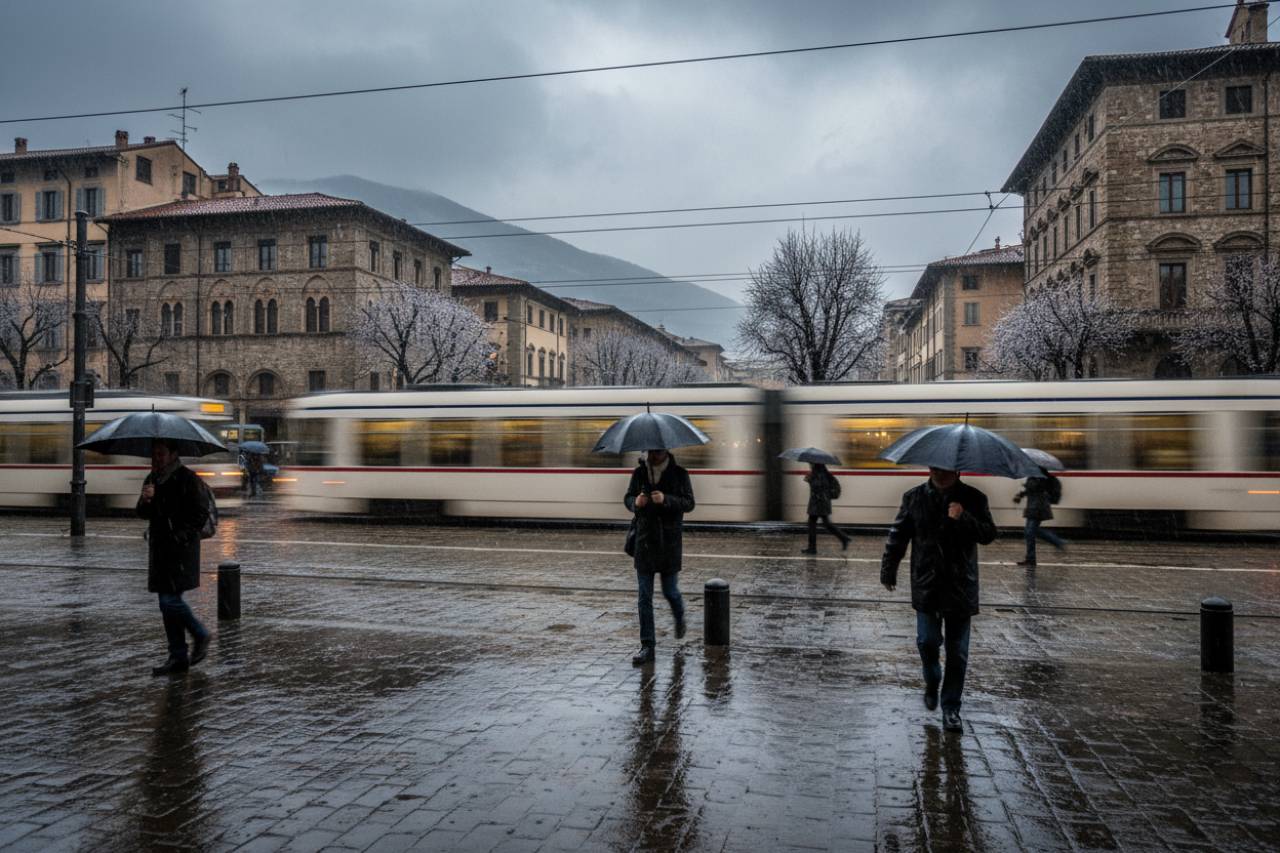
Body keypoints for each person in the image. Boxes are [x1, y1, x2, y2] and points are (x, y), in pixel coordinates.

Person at [880, 466, 997, 732]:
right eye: (934, 467)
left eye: (944, 469)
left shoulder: (974, 498)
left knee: (958, 653)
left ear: (956, 470)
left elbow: (989, 534)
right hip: (927, 584)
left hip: (960, 586)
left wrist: (963, 517)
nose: (938, 473)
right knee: (926, 641)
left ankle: (951, 708)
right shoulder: (914, 497)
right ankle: (932, 680)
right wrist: (889, 569)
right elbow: (898, 536)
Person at [138, 438, 212, 676]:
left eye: (161, 454)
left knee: (170, 601)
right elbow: (142, 513)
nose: (156, 459)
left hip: (181, 551)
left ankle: (200, 634)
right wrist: (146, 500)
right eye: (154, 454)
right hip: (160, 551)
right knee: (165, 604)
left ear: (173, 454)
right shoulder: (152, 478)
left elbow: (200, 513)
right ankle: (178, 656)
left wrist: (180, 536)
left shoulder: (188, 479)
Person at [624, 448, 695, 666]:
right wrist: (635, 502)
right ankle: (647, 645)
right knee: (644, 596)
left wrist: (666, 499)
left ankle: (679, 615)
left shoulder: (680, 474)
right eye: (651, 451)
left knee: (670, 591)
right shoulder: (639, 473)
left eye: (657, 451)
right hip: (644, 541)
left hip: (669, 543)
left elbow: (689, 503)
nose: (653, 455)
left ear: (666, 451)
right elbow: (627, 498)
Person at [1014, 470, 1065, 567]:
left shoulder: (1040, 474)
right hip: (1033, 506)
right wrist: (1021, 494)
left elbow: (1035, 487)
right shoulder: (1034, 474)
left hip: (1038, 507)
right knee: (1032, 532)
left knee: (1030, 532)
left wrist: (1027, 485)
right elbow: (1031, 489)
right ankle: (1056, 542)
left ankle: (1031, 559)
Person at [801, 462, 850, 554]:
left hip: (819, 504)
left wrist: (810, 479)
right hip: (820, 503)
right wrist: (809, 479)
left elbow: (818, 487)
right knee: (825, 523)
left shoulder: (819, 474)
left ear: (816, 465)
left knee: (813, 524)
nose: (810, 465)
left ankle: (812, 548)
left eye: (811, 464)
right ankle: (844, 538)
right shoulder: (823, 473)